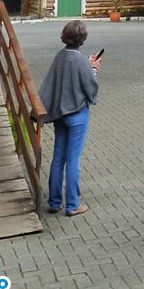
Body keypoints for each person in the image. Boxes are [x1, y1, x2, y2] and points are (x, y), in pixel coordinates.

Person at [38, 20, 101, 217]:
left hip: (59, 114)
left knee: (58, 158)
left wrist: (87, 65)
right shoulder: (80, 60)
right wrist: (93, 69)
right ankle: (73, 205)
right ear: (83, 39)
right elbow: (90, 86)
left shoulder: (61, 57)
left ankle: (55, 202)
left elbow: (59, 78)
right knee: (73, 159)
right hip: (77, 115)